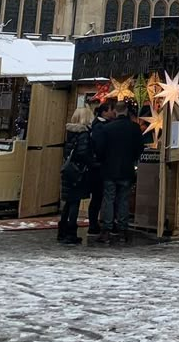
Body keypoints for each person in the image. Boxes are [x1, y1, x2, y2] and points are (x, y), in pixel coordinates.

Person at [94, 101, 144, 244]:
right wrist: (132, 159)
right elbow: (139, 148)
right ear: (127, 111)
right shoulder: (134, 128)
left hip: (109, 169)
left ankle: (107, 230)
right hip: (126, 169)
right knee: (123, 199)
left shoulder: (107, 128)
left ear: (115, 111)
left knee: (109, 199)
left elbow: (100, 149)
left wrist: (104, 160)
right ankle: (123, 230)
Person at [57, 105, 96, 245]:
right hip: (78, 172)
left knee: (68, 202)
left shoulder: (70, 132)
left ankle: (62, 231)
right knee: (75, 202)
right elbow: (83, 153)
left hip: (68, 171)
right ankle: (71, 233)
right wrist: (93, 163)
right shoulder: (84, 134)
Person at [88, 99, 116, 236]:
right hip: (98, 168)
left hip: (100, 166)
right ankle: (93, 224)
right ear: (105, 112)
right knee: (98, 197)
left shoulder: (101, 125)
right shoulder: (99, 126)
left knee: (100, 197)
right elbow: (99, 147)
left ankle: (97, 222)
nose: (114, 112)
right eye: (112, 110)